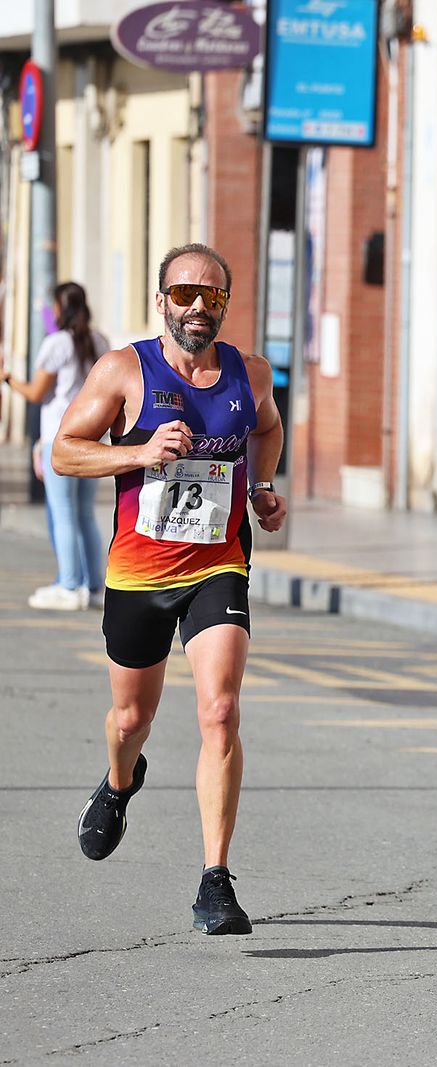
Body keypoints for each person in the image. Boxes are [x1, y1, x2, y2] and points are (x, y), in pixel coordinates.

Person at [52, 243, 287, 934]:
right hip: (140, 571)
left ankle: (215, 880)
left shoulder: (251, 372)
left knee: (220, 710)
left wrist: (265, 488)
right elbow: (64, 450)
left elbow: (267, 429)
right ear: (162, 301)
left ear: (225, 306)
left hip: (218, 562)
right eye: (183, 294)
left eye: (210, 297)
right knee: (131, 719)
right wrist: (138, 451)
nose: (196, 307)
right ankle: (122, 779)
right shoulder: (125, 369)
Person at [0, 282, 110, 610]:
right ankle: (92, 585)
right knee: (84, 515)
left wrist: (7, 378)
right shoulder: (100, 340)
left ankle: (68, 583)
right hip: (91, 437)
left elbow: (36, 394)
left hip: (60, 439)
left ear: (60, 308)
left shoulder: (56, 343)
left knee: (62, 513)